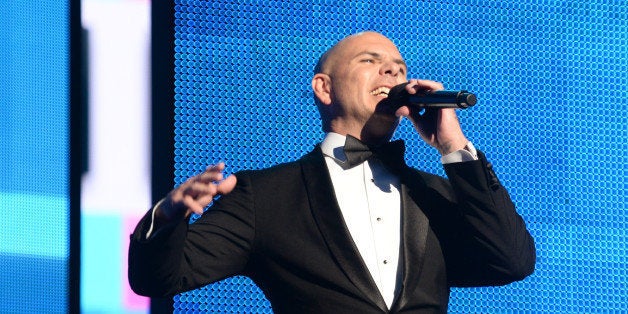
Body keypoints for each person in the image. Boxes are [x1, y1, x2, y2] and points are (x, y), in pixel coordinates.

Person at [128, 31, 536, 313]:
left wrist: (452, 147)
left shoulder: (435, 194)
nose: (393, 72)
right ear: (324, 88)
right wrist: (166, 219)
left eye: (398, 66)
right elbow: (161, 278)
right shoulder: (265, 196)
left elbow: (510, 261)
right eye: (371, 61)